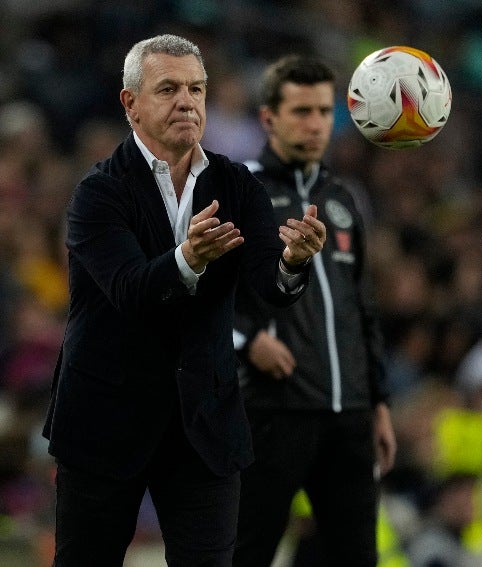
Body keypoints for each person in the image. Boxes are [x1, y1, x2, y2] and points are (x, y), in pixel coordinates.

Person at [41, 34, 326, 566]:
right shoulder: (97, 194)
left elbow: (270, 287)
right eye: (168, 88)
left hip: (204, 426)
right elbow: (131, 290)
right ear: (131, 104)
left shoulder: (238, 185)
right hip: (104, 421)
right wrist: (188, 258)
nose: (187, 102)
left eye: (196, 88)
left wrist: (294, 262)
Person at [232, 55, 396, 567]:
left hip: (348, 413)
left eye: (324, 111)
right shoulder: (239, 191)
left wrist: (379, 401)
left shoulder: (344, 197)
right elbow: (200, 293)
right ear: (268, 118)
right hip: (272, 411)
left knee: (355, 557)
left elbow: (362, 307)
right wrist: (245, 341)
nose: (316, 123)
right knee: (246, 552)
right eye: (302, 110)